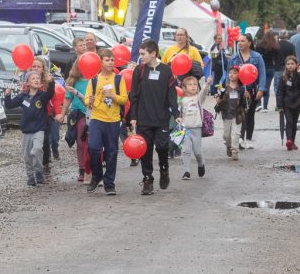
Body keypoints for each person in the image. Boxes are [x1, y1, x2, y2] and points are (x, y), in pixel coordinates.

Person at [127, 40, 179, 195]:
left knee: (163, 147)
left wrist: (176, 113)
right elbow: (134, 95)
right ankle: (148, 179)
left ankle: (164, 170)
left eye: (143, 54)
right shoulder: (139, 71)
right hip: (143, 118)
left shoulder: (166, 71)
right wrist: (133, 116)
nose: (140, 56)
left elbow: (172, 94)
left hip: (161, 117)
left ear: (153, 54)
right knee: (146, 150)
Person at [82, 48, 127, 195]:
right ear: (99, 62)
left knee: (111, 152)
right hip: (97, 118)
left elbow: (124, 99)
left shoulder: (119, 79)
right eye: (107, 60)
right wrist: (90, 100)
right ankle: (96, 175)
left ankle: (109, 183)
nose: (110, 62)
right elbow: (86, 99)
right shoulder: (94, 80)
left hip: (113, 120)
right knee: (94, 148)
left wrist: (113, 96)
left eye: (112, 60)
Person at [4, 72, 53, 186]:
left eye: (38, 78)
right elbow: (10, 105)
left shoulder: (42, 96)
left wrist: (51, 82)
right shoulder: (23, 96)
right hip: (26, 131)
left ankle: (39, 172)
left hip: (39, 129)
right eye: (33, 78)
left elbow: (50, 94)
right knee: (27, 155)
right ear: (27, 83)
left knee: (37, 150)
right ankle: (30, 176)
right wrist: (7, 95)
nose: (36, 80)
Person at [228, 34, 266, 149]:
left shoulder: (257, 57)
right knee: (240, 114)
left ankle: (249, 139)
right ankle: (240, 138)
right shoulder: (234, 58)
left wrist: (261, 89)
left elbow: (262, 74)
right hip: (237, 90)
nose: (239, 43)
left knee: (250, 114)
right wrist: (228, 89)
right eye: (238, 41)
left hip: (252, 90)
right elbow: (228, 74)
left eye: (242, 41)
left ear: (249, 43)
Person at [63, 45, 91, 183]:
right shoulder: (73, 81)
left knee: (92, 144)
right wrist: (62, 114)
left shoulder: (95, 79)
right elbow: (67, 98)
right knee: (80, 143)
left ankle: (92, 167)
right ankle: (82, 168)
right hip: (79, 114)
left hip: (94, 114)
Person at [275, 55, 300, 150]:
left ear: (296, 65)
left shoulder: (299, 75)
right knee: (289, 122)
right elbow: (279, 92)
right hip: (287, 104)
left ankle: (292, 142)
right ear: (285, 65)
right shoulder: (283, 77)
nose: (290, 66)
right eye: (288, 64)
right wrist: (280, 105)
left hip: (298, 103)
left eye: (292, 64)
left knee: (294, 123)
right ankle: (289, 141)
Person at [177, 75, 207, 179]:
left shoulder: (198, 99)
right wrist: (179, 118)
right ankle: (186, 171)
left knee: (197, 152)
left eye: (195, 84)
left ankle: (200, 164)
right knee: (185, 150)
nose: (193, 86)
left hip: (196, 129)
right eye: (190, 85)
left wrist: (206, 85)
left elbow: (203, 94)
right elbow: (179, 112)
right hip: (186, 129)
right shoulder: (182, 100)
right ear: (184, 88)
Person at [214, 66, 248, 160]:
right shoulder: (224, 88)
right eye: (230, 73)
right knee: (226, 136)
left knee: (236, 134)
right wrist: (218, 97)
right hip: (226, 114)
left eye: (234, 73)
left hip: (237, 115)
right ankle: (228, 146)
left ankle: (235, 151)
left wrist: (247, 97)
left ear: (239, 75)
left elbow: (246, 104)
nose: (231, 75)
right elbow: (218, 100)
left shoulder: (241, 89)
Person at [256, 31, 280, 110]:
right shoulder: (275, 46)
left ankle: (258, 104)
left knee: (260, 86)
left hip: (261, 68)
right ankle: (265, 107)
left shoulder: (259, 45)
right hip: (270, 68)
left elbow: (256, 57)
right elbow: (277, 59)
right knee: (267, 87)